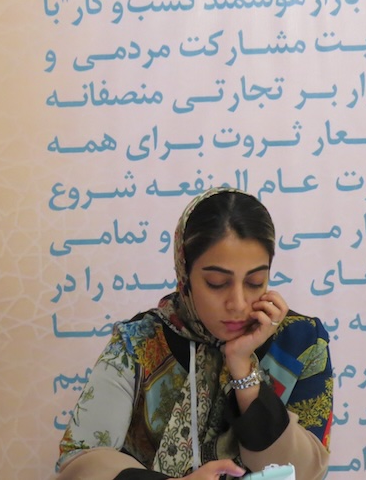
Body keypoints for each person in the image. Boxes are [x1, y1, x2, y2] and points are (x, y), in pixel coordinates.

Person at [55, 187, 333, 480]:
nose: (238, 304)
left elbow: (306, 473)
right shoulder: (138, 343)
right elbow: (77, 465)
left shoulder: (301, 343)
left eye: (255, 282)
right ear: (185, 275)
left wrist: (243, 371)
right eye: (216, 282)